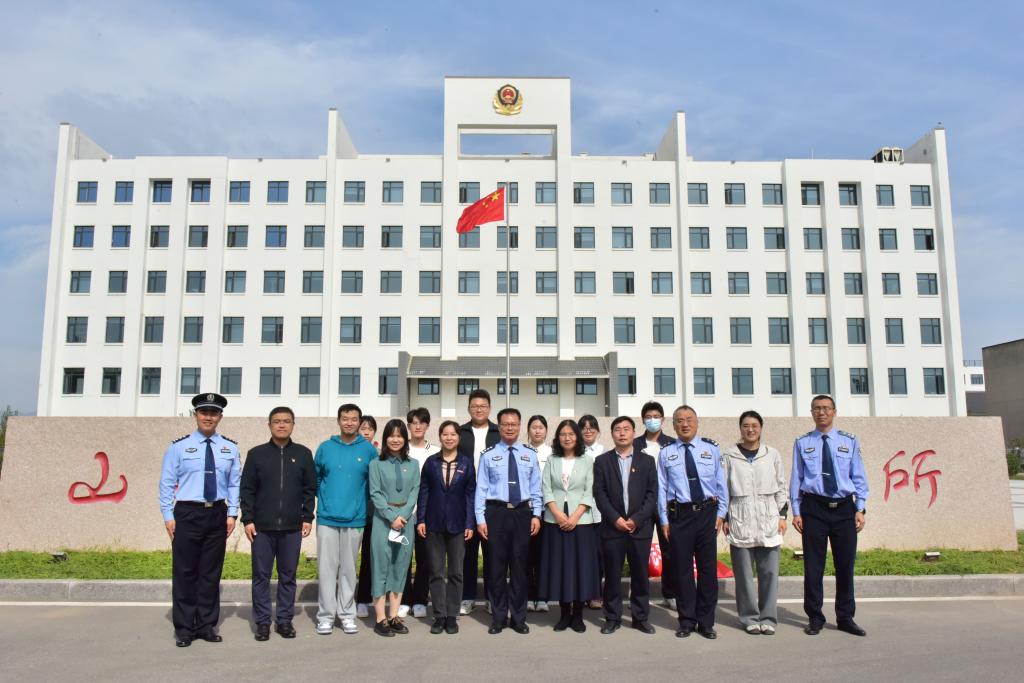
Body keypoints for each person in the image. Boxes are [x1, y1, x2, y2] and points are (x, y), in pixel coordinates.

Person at [158, 392, 241, 647]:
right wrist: (168, 515)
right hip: (187, 513)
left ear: (220, 417)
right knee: (185, 572)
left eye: (213, 413)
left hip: (217, 513)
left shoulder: (230, 448)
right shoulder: (178, 447)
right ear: (196, 415)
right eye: (204, 412)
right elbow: (167, 483)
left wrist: (232, 513)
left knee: (210, 573)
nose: (208, 417)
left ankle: (206, 625)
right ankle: (184, 628)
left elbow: (234, 483)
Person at [792, 395, 869, 637]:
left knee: (845, 566)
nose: (822, 412)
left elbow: (859, 476)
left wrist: (860, 507)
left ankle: (845, 617)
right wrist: (796, 511)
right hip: (814, 508)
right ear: (811, 413)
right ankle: (815, 617)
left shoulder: (849, 441)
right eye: (817, 408)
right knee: (813, 567)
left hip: (844, 509)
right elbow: (797, 478)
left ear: (834, 412)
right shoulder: (803, 442)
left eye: (826, 408)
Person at [240, 406, 316, 641]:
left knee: (288, 576)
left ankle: (284, 621)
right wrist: (248, 519)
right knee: (261, 576)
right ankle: (263, 622)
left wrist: (307, 517)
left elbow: (309, 489)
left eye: (286, 421)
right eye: (277, 421)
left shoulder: (303, 454)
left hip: (292, 527)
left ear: (293, 424)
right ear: (269, 425)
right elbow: (247, 489)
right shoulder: (256, 454)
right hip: (262, 528)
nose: (281, 425)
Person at [657, 405, 728, 640]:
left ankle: (706, 622)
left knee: (707, 571)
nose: (684, 424)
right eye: (679, 421)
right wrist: (664, 519)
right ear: (673, 425)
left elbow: (721, 484)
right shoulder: (666, 453)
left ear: (697, 422)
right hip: (680, 516)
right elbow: (662, 488)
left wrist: (721, 514)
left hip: (707, 514)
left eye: (689, 419)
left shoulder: (711, 449)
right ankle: (686, 620)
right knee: (683, 571)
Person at [475, 407, 542, 634]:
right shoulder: (488, 455)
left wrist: (536, 514)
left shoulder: (529, 454)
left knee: (520, 568)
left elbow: (536, 488)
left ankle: (519, 618)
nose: (510, 428)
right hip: (496, 513)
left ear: (520, 426)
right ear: (499, 427)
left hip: (522, 513)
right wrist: (480, 519)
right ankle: (499, 617)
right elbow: (481, 489)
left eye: (514, 424)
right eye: (505, 424)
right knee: (496, 568)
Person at [721, 410, 787, 635]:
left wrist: (782, 516)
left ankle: (768, 617)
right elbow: (723, 489)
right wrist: (725, 517)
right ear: (740, 428)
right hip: (740, 518)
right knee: (744, 576)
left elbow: (781, 486)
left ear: (761, 428)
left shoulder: (772, 454)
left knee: (769, 573)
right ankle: (749, 617)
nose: (750, 430)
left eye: (754, 426)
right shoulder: (729, 455)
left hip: (769, 518)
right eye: (746, 426)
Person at [592, 416, 658, 635]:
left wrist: (636, 519)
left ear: (633, 433)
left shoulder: (647, 461)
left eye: (626, 429)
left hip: (640, 528)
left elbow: (652, 494)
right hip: (613, 528)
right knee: (612, 575)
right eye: (617, 429)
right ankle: (612, 617)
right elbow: (599, 494)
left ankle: (640, 617)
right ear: (612, 434)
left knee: (640, 575)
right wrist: (615, 518)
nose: (622, 433)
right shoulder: (602, 461)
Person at [314, 404, 376, 636]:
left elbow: (373, 484)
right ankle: (326, 616)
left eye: (354, 419)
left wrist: (361, 506)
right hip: (327, 518)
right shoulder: (325, 448)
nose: (349, 423)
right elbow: (316, 479)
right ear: (338, 420)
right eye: (345, 418)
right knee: (327, 569)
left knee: (349, 570)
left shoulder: (368, 450)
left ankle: (347, 614)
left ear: (359, 422)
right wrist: (327, 500)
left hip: (355, 519)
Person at [539, 419, 600, 633]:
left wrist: (574, 516)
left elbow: (589, 490)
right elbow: (546, 488)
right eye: (563, 434)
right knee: (560, 567)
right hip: (554, 520)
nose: (567, 438)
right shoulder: (552, 459)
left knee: (580, 567)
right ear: (558, 437)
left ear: (578, 437)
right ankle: (564, 614)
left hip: (581, 521)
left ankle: (578, 615)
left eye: (571, 434)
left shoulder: (587, 460)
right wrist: (558, 514)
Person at [417, 420, 476, 634]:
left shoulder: (466, 463)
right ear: (440, 436)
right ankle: (439, 615)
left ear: (459, 438)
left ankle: (452, 616)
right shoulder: (431, 462)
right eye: (445, 434)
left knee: (456, 572)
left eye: (453, 434)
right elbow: (424, 491)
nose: (449, 438)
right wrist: (421, 519)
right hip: (433, 523)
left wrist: (470, 522)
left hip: (458, 524)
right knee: (435, 571)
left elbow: (470, 495)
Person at [368, 419, 421, 637]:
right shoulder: (376, 464)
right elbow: (375, 493)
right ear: (385, 438)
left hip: (405, 522)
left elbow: (415, 491)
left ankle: (393, 616)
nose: (395, 439)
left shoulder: (413, 464)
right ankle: (380, 618)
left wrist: (403, 516)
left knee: (400, 567)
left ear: (405, 439)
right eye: (391, 435)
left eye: (400, 435)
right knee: (381, 567)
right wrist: (391, 517)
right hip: (383, 521)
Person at [457, 389, 500, 615]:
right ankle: (467, 597)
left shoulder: (498, 432)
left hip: (492, 500)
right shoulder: (460, 432)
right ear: (468, 408)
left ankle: (493, 598)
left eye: (483, 406)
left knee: (493, 552)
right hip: (465, 499)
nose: (479, 409)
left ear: (489, 408)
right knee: (468, 552)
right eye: (475, 406)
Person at [633, 400, 676, 610]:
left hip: (666, 504)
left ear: (663, 419)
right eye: (648, 417)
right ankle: (638, 595)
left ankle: (670, 593)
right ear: (643, 420)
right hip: (642, 505)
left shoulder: (672, 444)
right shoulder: (634, 445)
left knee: (670, 550)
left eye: (656, 416)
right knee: (639, 552)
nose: (652, 420)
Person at [400, 407, 439, 619]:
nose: (417, 426)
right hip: (403, 514)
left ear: (427, 426)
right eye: (413, 422)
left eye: (422, 422)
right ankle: (404, 600)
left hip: (427, 515)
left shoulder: (435, 451)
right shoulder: (400, 449)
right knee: (402, 559)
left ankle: (421, 600)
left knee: (425, 559)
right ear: (408, 426)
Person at [578, 414, 605, 609]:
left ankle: (596, 593)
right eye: (584, 427)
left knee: (598, 554)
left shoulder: (604, 452)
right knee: (581, 555)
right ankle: (580, 593)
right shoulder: (574, 452)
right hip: (578, 510)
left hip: (599, 510)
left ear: (598, 430)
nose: (588, 430)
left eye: (591, 427)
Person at [525, 415, 552, 613]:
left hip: (547, 511)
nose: (537, 431)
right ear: (528, 430)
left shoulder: (552, 453)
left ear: (546, 431)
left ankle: (542, 597)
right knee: (526, 556)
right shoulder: (521, 451)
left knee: (543, 556)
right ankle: (528, 596)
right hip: (525, 510)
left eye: (541, 427)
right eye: (533, 427)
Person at [355, 416, 379, 617]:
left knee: (370, 559)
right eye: (363, 428)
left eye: (370, 429)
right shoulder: (352, 451)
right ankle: (356, 599)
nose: (366, 432)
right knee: (350, 560)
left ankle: (365, 598)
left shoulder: (378, 454)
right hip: (354, 513)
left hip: (373, 515)